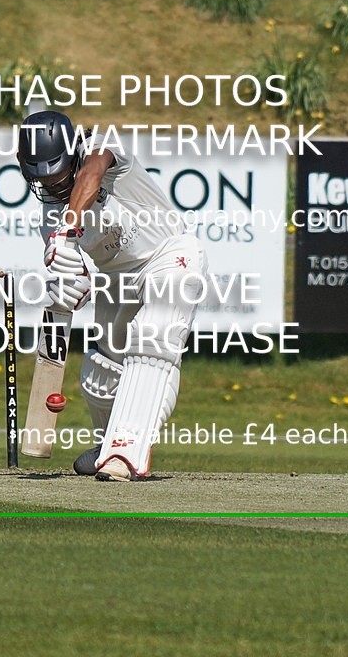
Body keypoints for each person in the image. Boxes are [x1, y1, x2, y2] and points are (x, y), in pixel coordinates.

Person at [17, 110, 206, 481]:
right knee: (101, 371)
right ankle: (107, 445)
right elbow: (79, 283)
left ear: (72, 153)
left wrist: (68, 229)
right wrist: (67, 286)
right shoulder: (49, 216)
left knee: (152, 339)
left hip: (169, 255)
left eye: (57, 176)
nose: (51, 187)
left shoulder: (102, 147)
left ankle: (126, 449)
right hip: (117, 279)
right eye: (41, 180)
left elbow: (92, 173)